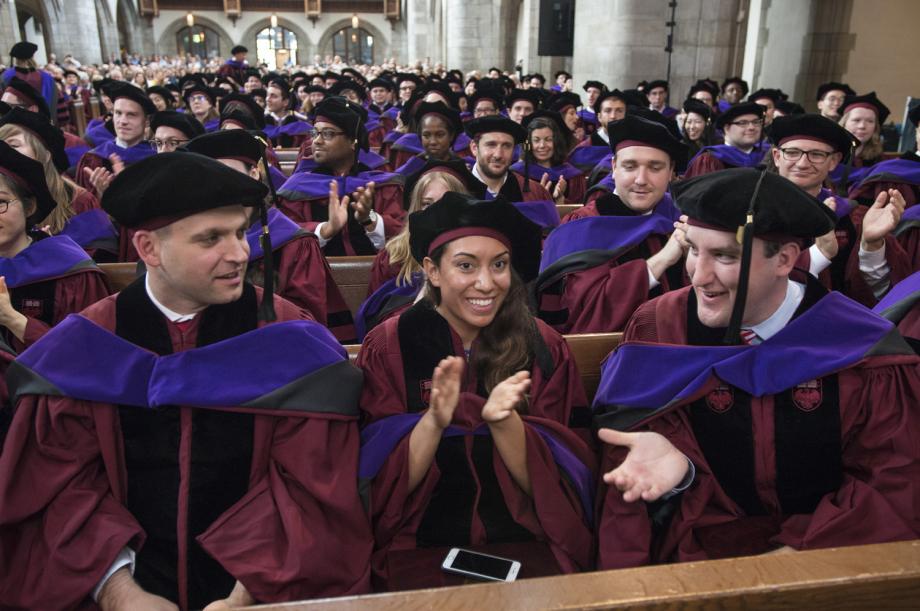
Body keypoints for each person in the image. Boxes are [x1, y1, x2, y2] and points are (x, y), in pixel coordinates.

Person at [0, 152, 373, 609]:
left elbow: (310, 488)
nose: (240, 253)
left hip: (264, 588)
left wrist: (245, 594)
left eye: (240, 231)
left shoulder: (289, 342)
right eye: (211, 238)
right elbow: (60, 490)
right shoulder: (86, 349)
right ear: (148, 249)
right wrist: (121, 594)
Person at [594, 168, 920, 568]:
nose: (698, 275)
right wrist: (684, 475)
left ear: (784, 259)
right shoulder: (659, 327)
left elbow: (893, 481)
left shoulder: (859, 347)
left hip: (830, 555)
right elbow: (630, 475)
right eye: (694, 250)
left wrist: (795, 559)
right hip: (699, 555)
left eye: (725, 256)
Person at [356, 192, 595, 590]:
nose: (486, 283)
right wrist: (433, 422)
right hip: (413, 543)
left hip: (527, 538)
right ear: (432, 270)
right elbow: (377, 488)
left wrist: (503, 423)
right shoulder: (389, 345)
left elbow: (565, 486)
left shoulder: (544, 346)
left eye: (499, 265)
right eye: (465, 266)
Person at [184, 129, 356, 342]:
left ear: (254, 173)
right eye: (207, 178)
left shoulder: (292, 243)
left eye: (228, 173)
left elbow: (307, 329)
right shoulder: (185, 243)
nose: (218, 186)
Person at [536, 115, 687, 333]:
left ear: (671, 172)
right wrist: (663, 259)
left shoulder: (677, 218)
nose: (641, 179)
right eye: (630, 166)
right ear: (614, 167)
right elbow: (586, 320)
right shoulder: (583, 227)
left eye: (655, 167)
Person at [768, 113, 911, 305]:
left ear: (834, 161)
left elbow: (878, 294)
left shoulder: (852, 217)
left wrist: (871, 247)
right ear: (777, 157)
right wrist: (819, 255)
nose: (802, 163)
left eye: (816, 155)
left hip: (835, 327)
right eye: (792, 152)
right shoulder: (749, 212)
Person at [0, 140, 110, 351]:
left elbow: (90, 355)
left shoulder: (70, 272)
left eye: (0, 202)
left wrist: (14, 320)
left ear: (29, 206)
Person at [359, 159, 477, 339]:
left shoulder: (479, 254)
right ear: (416, 208)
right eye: (427, 204)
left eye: (447, 202)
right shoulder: (393, 257)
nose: (436, 212)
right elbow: (375, 315)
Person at [277, 96, 405, 256]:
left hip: (376, 276)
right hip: (316, 277)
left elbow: (402, 237)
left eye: (328, 134)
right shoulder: (297, 189)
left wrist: (369, 217)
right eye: (315, 133)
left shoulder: (381, 185)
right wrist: (326, 229)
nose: (316, 141)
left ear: (353, 142)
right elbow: (284, 236)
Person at [77, 82, 156, 198]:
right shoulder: (94, 159)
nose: (122, 121)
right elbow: (83, 209)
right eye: (118, 113)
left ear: (147, 121)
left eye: (131, 115)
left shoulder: (156, 158)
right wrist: (101, 194)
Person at [511, 110, 584, 205]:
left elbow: (578, 212)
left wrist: (560, 200)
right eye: (536, 140)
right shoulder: (516, 174)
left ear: (556, 142)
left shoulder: (573, 176)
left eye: (548, 140)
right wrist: (537, 197)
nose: (542, 145)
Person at [683, 102, 767, 178]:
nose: (751, 127)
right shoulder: (710, 160)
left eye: (756, 122)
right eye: (743, 123)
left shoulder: (768, 157)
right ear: (727, 128)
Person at [831, 92, 889, 190]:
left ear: (875, 127)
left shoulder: (882, 161)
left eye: (870, 121)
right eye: (856, 120)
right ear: (844, 123)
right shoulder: (828, 155)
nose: (862, 126)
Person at [392, 101, 465, 175]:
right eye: (426, 135)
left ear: (451, 136)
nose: (433, 141)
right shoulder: (410, 170)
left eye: (440, 135)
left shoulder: (462, 168)